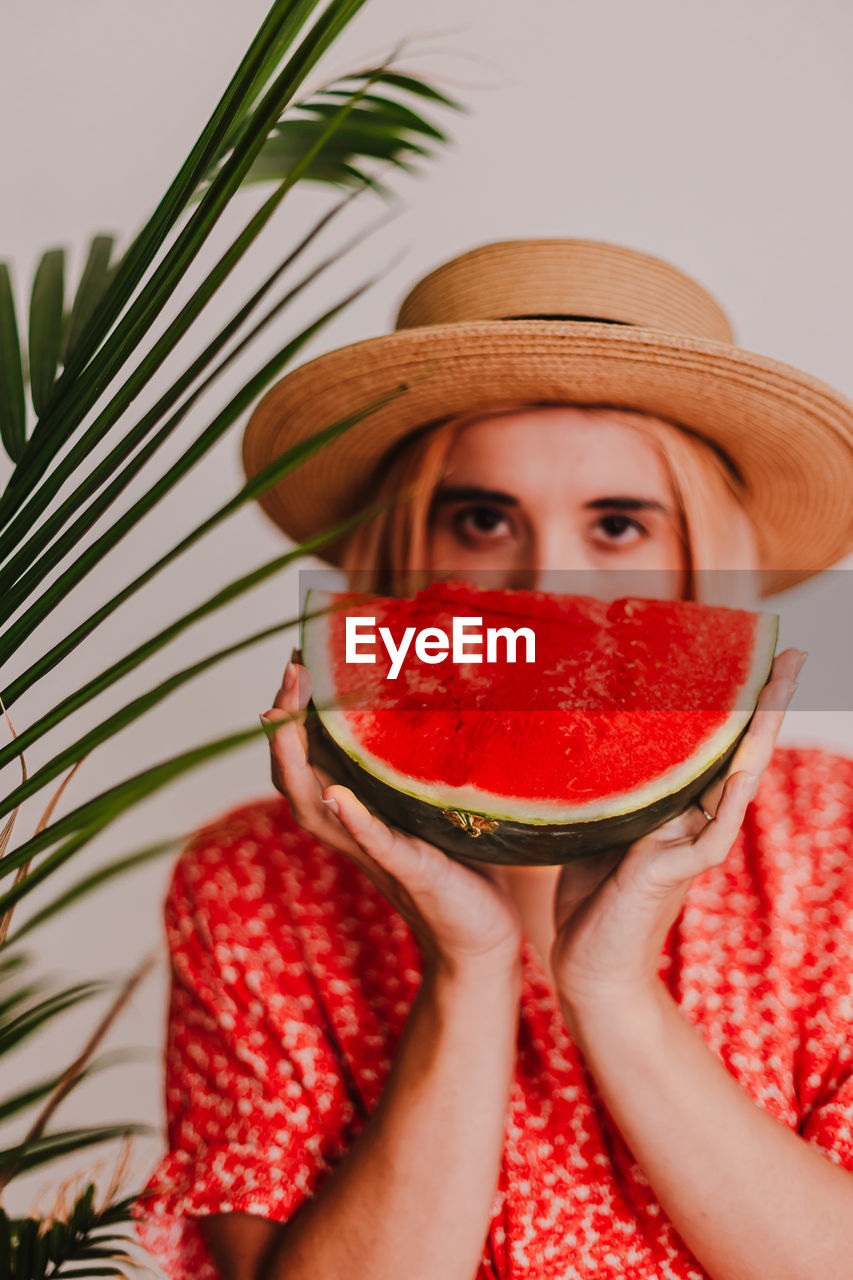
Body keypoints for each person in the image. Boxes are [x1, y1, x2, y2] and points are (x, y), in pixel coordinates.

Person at [135, 239, 853, 1280]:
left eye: (616, 523)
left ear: (703, 561)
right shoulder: (254, 881)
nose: (542, 584)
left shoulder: (836, 847)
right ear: (398, 557)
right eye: (481, 518)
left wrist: (611, 991)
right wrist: (466, 970)